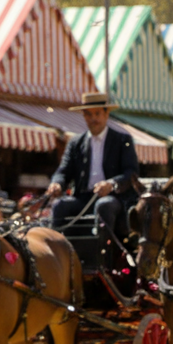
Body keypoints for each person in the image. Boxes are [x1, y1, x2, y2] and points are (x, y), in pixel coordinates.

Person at [46, 94, 139, 249]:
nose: (93, 118)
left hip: (112, 198)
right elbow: (63, 171)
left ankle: (102, 255)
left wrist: (111, 184)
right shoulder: (75, 143)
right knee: (59, 206)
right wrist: (57, 183)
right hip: (83, 198)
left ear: (106, 114)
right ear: (84, 116)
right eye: (88, 114)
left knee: (104, 205)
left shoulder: (123, 140)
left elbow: (131, 173)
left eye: (97, 113)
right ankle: (56, 252)